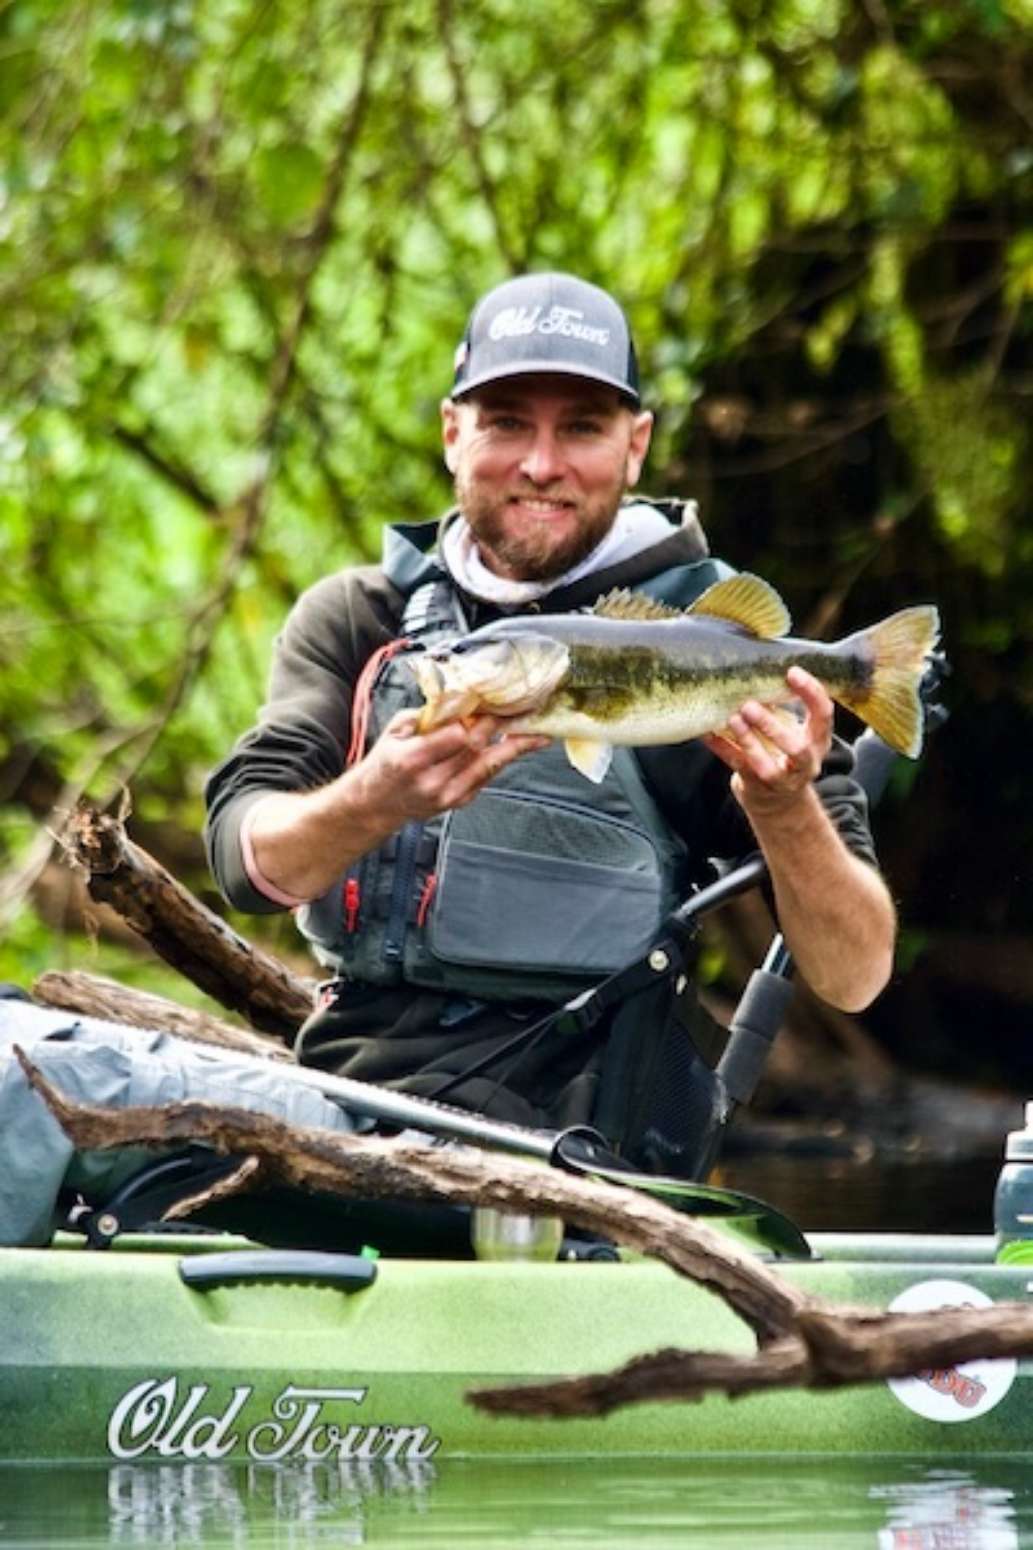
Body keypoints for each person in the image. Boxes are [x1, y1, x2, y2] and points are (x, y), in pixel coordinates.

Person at [204, 272, 895, 1153]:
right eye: (506, 423)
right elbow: (243, 863)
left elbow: (855, 973)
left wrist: (783, 805)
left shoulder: (704, 643)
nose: (540, 464)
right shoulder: (359, 619)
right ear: (452, 433)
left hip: (595, 1142)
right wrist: (374, 799)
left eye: (581, 427)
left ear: (635, 445)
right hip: (355, 1109)